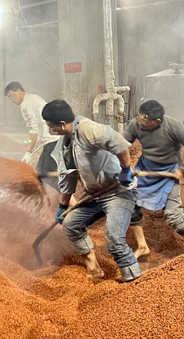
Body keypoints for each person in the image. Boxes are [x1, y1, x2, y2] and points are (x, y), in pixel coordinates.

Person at [43, 99, 141, 282]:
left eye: (50, 126)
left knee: (114, 239)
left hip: (118, 191)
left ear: (62, 124)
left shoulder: (87, 129)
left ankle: (134, 281)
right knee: (71, 224)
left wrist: (126, 170)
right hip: (94, 196)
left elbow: (119, 143)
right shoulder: (65, 143)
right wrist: (63, 205)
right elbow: (68, 177)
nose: (50, 130)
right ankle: (94, 268)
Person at [123, 99, 184, 257]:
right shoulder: (136, 124)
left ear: (157, 121)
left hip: (169, 172)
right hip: (145, 170)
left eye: (145, 121)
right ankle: (142, 246)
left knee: (173, 214)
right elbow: (121, 144)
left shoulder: (173, 126)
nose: (140, 123)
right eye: (140, 118)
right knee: (130, 202)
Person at [3, 81, 58, 186]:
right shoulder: (33, 97)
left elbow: (33, 130)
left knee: (48, 176)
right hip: (54, 138)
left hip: (52, 141)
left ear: (18, 91)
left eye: (11, 96)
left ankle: (63, 195)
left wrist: (29, 152)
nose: (10, 100)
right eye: (8, 98)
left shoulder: (25, 105)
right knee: (39, 172)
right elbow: (41, 123)